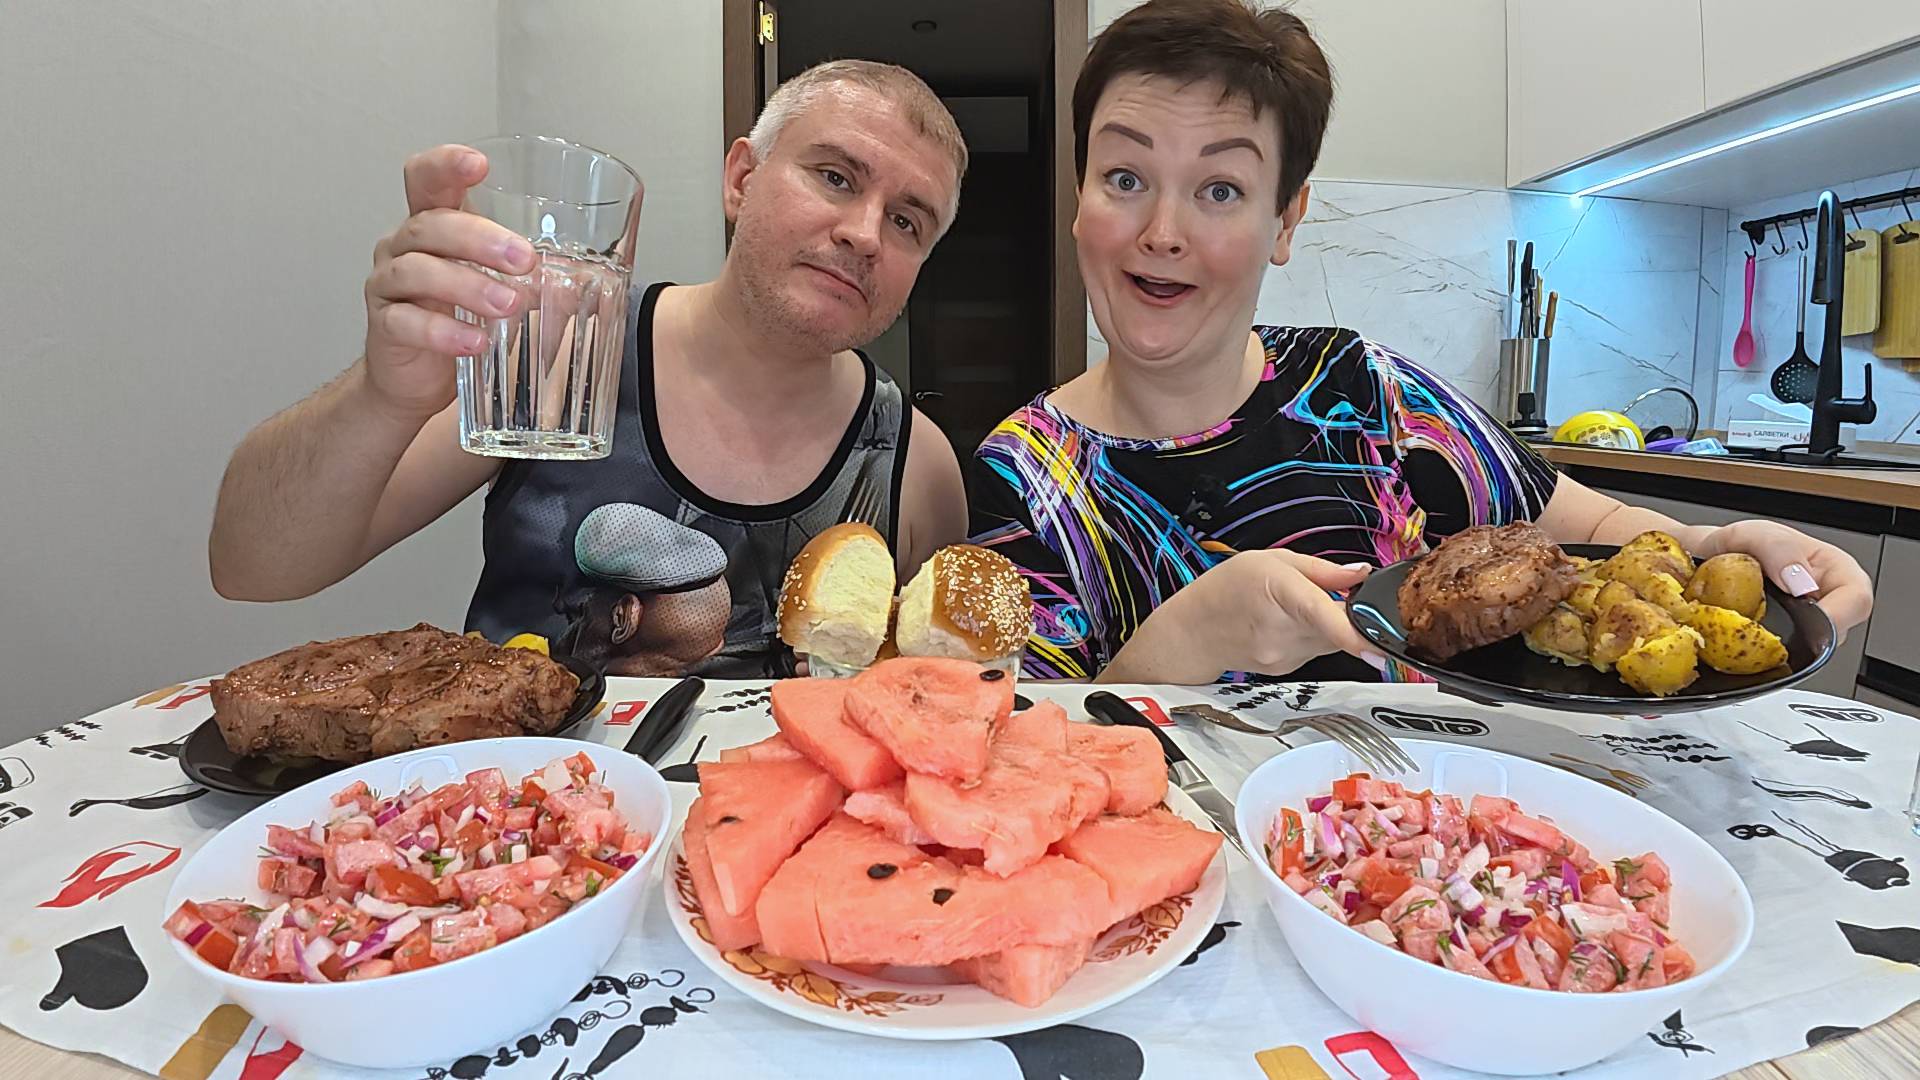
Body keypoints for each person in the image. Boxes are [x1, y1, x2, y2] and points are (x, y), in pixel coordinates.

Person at [969, 0, 1872, 684]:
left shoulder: (1361, 388)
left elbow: (1588, 530)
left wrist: (1714, 542)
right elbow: (1029, 762)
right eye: (1125, 177)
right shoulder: (1021, 479)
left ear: (1286, 220)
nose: (1162, 233)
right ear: (1079, 199)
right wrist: (1189, 640)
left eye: (1220, 191)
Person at [210, 61, 972, 677]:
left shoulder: (916, 463)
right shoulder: (563, 347)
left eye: (907, 221)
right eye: (835, 177)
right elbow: (252, 567)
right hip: (524, 811)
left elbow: (918, 702)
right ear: (741, 178)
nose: (865, 233)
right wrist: (382, 396)